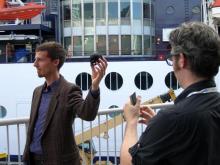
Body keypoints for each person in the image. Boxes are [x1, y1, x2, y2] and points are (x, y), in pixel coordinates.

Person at [120, 22, 220, 165]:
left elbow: (128, 163)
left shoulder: (171, 119)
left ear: (181, 60)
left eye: (172, 57)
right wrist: (158, 128)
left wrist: (131, 122)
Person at [23, 42, 108, 165]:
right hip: (33, 159)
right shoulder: (37, 92)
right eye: (35, 60)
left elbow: (87, 114)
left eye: (40, 60)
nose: (35, 64)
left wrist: (94, 86)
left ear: (55, 62)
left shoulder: (69, 90)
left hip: (58, 160)